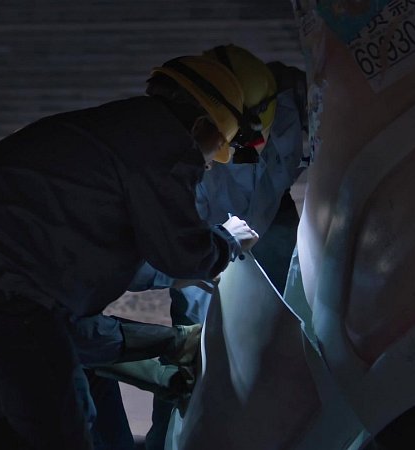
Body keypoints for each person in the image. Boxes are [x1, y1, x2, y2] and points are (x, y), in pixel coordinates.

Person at [0, 54, 261, 449]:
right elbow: (181, 254)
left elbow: (121, 274)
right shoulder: (163, 144)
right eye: (217, 147)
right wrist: (224, 243)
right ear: (200, 125)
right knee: (64, 424)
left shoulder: (110, 138)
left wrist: (172, 333)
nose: (210, 165)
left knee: (71, 403)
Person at [134, 44, 308, 450]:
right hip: (204, 238)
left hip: (267, 223)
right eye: (235, 140)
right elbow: (161, 261)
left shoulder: (288, 99)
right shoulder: (172, 157)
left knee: (283, 342)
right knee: (194, 360)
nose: (242, 150)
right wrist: (208, 255)